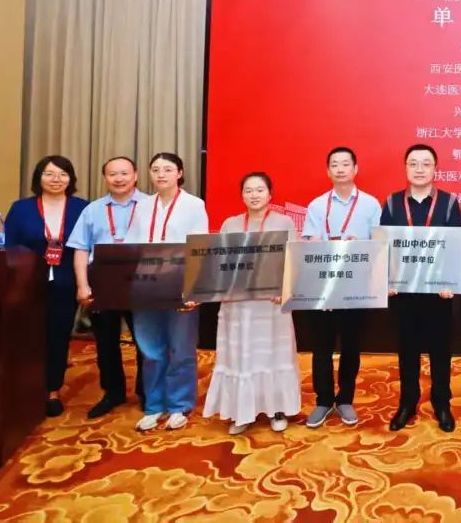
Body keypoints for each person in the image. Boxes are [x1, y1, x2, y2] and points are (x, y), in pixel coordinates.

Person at [203, 172, 301, 434]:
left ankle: (277, 408)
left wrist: (285, 290)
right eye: (248, 190)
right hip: (239, 305)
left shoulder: (284, 222)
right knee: (242, 356)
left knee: (274, 354)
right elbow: (218, 262)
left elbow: (294, 260)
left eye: (259, 190)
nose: (254, 195)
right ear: (242, 195)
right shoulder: (231, 224)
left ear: (270, 194)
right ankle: (242, 411)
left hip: (271, 304)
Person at [380, 144, 461, 433]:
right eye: (413, 163)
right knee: (407, 350)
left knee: (441, 350)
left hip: (438, 292)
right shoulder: (392, 203)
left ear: (435, 169)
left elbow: (454, 246)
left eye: (426, 164)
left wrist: (450, 281)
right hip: (404, 292)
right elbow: (384, 247)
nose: (419, 169)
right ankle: (407, 402)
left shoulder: (449, 203)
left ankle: (442, 402)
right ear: (405, 168)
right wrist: (387, 280)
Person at [124, 152, 209, 432]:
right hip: (146, 284)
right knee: (150, 349)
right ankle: (154, 405)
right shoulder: (142, 206)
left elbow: (200, 248)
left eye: (168, 169)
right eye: (156, 169)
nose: (161, 174)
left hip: (179, 283)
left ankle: (179, 405)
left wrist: (195, 288)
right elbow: (131, 246)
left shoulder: (194, 205)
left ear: (180, 173)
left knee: (181, 347)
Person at [300, 146, 382, 429]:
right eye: (334, 164)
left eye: (345, 164)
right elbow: (309, 243)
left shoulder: (370, 204)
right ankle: (323, 400)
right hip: (323, 286)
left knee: (351, 346)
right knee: (321, 347)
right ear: (328, 171)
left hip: (355, 285)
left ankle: (346, 398)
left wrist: (359, 245)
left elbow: (379, 245)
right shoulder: (317, 205)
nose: (340, 169)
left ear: (355, 169)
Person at [4, 155, 89, 417]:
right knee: (27, 335)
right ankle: (25, 387)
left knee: (58, 336)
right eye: (49, 174)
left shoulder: (82, 208)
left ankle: (52, 390)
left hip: (66, 283)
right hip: (27, 283)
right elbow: (9, 247)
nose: (56, 179)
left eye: (63, 174)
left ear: (70, 179)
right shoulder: (21, 208)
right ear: (38, 178)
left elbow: (88, 246)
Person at [66, 156, 147, 418]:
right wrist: (82, 285)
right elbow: (80, 249)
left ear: (135, 175)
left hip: (141, 281)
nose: (119, 179)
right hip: (102, 281)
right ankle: (113, 392)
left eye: (124, 173)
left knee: (145, 341)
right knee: (106, 341)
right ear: (105, 178)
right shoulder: (93, 210)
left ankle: (147, 392)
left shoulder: (151, 205)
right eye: (113, 174)